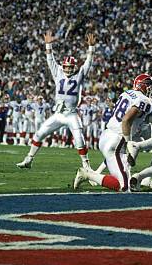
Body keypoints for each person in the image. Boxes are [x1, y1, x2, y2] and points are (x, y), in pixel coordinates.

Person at [16, 31, 96, 169]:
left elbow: (88, 63)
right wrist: (48, 45)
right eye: (66, 66)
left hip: (71, 113)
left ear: (74, 67)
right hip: (58, 114)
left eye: (70, 67)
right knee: (40, 133)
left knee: (79, 139)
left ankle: (86, 166)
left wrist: (91, 48)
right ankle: (29, 159)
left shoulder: (79, 75)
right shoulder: (58, 72)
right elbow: (50, 60)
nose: (68, 69)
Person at [73, 74, 152, 192]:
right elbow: (126, 120)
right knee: (124, 187)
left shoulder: (126, 93)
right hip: (117, 141)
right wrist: (129, 143)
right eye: (148, 85)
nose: (151, 88)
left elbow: (134, 116)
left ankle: (126, 176)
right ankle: (87, 174)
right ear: (140, 85)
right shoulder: (144, 100)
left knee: (125, 169)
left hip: (107, 134)